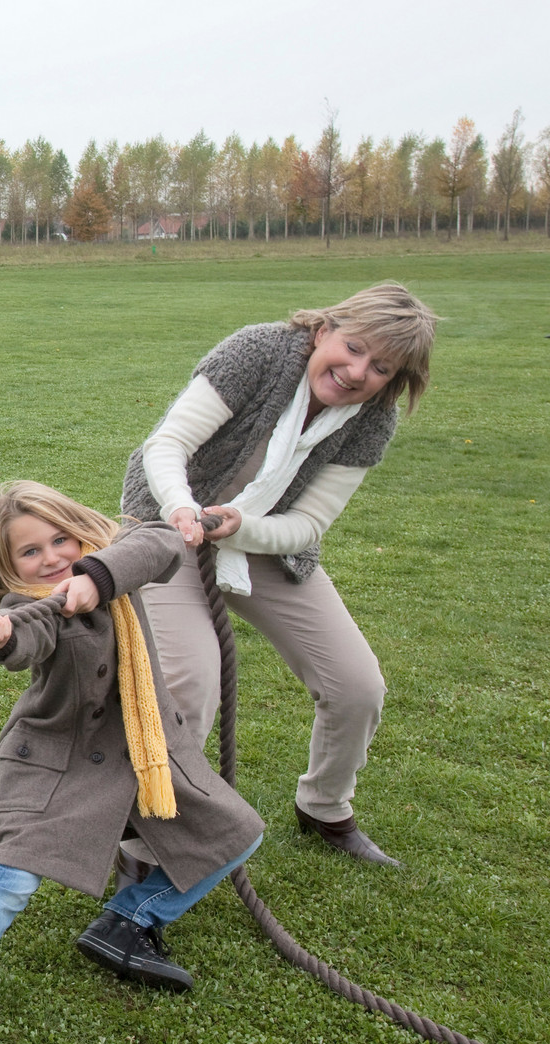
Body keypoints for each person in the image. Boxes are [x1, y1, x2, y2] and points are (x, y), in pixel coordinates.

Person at [0, 482, 265, 1044]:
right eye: (30, 553)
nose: (52, 558)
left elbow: (161, 542)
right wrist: (3, 636)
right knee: (14, 878)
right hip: (59, 766)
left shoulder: (117, 562)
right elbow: (23, 639)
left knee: (236, 833)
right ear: (9, 568)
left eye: (61, 538)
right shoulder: (29, 605)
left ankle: (129, 922)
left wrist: (95, 577)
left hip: (148, 755)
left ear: (82, 529)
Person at [119, 283, 437, 869]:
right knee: (190, 682)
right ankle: (148, 840)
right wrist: (182, 508)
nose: (356, 371)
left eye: (381, 367)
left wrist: (238, 525)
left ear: (393, 382)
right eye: (353, 346)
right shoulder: (258, 353)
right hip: (168, 527)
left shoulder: (370, 420)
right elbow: (167, 444)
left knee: (357, 685)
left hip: (258, 542)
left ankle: (324, 807)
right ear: (324, 332)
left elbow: (308, 525)